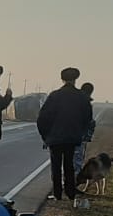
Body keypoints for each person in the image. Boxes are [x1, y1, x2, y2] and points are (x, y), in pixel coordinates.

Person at [36, 67, 94, 201]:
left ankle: (57, 194)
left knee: (56, 167)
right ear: (75, 80)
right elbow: (88, 118)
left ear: (62, 79)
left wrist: (45, 136)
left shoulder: (54, 96)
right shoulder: (81, 97)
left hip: (55, 138)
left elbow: (42, 118)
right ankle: (70, 192)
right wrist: (81, 132)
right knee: (69, 165)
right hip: (72, 137)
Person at [73, 82, 96, 175]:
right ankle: (71, 186)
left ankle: (64, 184)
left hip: (67, 135)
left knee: (66, 162)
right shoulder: (85, 103)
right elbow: (88, 121)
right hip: (79, 137)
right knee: (77, 162)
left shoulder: (72, 100)